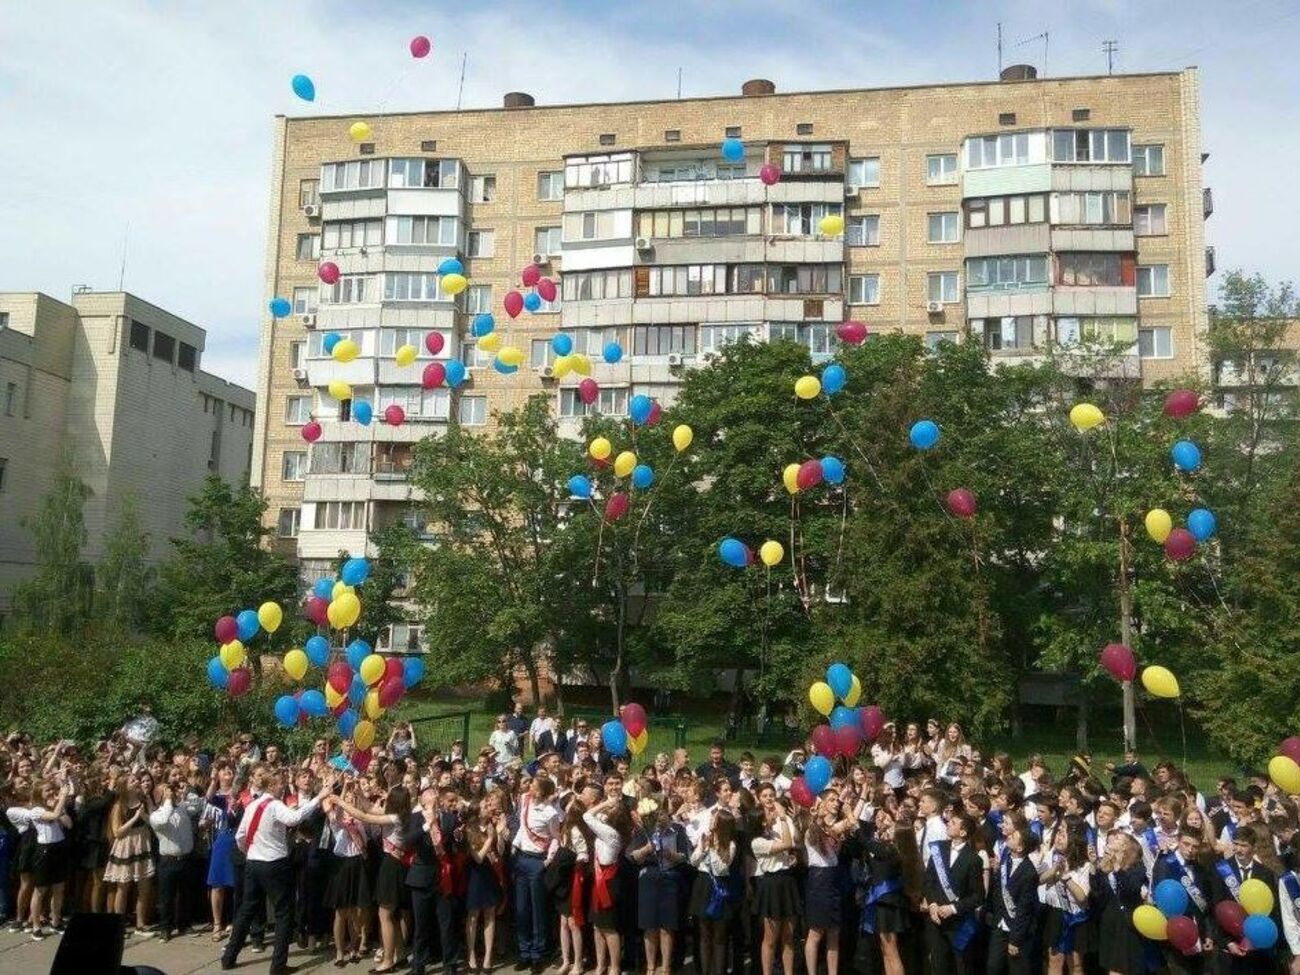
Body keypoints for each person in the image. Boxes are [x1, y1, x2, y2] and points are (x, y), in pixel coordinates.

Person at [221, 764, 334, 975]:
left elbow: (240, 836)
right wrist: (319, 797)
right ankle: (278, 966)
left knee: (246, 909)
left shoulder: (253, 805)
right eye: (281, 782)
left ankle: (228, 957)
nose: (284, 785)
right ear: (273, 785)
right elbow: (295, 818)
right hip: (274, 865)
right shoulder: (273, 805)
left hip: (253, 863)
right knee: (284, 913)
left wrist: (251, 852)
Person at [920, 812, 984, 975]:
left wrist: (953, 908)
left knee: (960, 966)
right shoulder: (938, 849)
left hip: (958, 923)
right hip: (935, 919)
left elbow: (978, 896)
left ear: (963, 832)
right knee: (937, 965)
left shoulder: (973, 859)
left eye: (953, 822)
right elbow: (928, 881)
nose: (948, 823)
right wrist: (932, 903)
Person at [632, 796, 689, 975]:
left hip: (670, 878)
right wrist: (646, 849)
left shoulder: (677, 829)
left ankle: (665, 967)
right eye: (657, 813)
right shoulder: (644, 830)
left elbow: (685, 856)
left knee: (667, 926)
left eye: (663, 812)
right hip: (649, 878)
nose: (660, 817)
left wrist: (671, 854)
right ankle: (650, 966)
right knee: (650, 925)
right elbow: (633, 857)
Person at [512, 774, 562, 973]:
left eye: (532, 784)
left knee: (537, 910)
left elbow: (556, 839)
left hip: (537, 862)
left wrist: (547, 861)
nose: (529, 785)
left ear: (540, 790)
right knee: (522, 909)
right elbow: (523, 828)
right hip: (521, 859)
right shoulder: (525, 801)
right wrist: (515, 846)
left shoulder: (550, 813)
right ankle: (524, 952)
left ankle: (537, 954)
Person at [148, 768, 205, 941]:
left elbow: (197, 806)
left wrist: (186, 792)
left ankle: (184, 924)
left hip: (185, 859)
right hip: (168, 860)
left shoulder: (182, 808)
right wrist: (166, 800)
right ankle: (165, 928)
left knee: (186, 895)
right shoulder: (156, 815)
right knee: (167, 896)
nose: (171, 794)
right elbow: (165, 819)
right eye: (166, 793)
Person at [751, 783, 800, 975]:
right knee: (771, 938)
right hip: (771, 884)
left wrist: (785, 818)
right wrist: (781, 816)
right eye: (766, 795)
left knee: (789, 936)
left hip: (787, 880)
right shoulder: (758, 841)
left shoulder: (782, 821)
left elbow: (794, 840)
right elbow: (786, 843)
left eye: (773, 795)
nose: (771, 800)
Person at [1152, 828, 1215, 974]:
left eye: (1195, 846)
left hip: (1198, 935)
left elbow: (1206, 907)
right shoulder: (1164, 864)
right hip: (1174, 934)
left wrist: (1209, 935)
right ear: (1178, 842)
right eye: (1186, 844)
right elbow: (1161, 899)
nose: (1190, 850)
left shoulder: (1201, 869)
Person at [584, 786, 632, 975]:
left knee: (609, 927)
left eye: (610, 810)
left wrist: (606, 802)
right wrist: (609, 805)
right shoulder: (609, 827)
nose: (605, 811)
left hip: (608, 881)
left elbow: (588, 816)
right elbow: (595, 817)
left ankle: (614, 966)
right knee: (597, 925)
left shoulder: (611, 833)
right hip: (600, 877)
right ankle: (600, 965)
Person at [103, 771, 156, 934]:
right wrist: (134, 818)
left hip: (142, 843)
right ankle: (119, 925)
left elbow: (153, 822)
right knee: (123, 888)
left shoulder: (143, 800)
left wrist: (146, 809)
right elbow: (117, 831)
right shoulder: (119, 806)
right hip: (126, 846)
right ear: (125, 786)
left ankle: (140, 924)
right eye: (132, 780)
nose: (137, 782)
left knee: (144, 887)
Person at [23, 779, 73, 941]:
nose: (51, 792)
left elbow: (68, 824)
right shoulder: (36, 810)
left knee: (59, 888)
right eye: (47, 791)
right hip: (45, 851)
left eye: (52, 789)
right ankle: (36, 925)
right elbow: (53, 816)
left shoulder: (55, 807)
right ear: (39, 794)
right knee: (40, 890)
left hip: (59, 848)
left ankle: (56, 921)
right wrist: (63, 797)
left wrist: (59, 805)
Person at [986, 820, 1039, 975]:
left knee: (1017, 970)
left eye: (1014, 836)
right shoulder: (1005, 861)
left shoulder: (1029, 873)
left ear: (1020, 847)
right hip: (1000, 924)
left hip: (1018, 930)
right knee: (993, 968)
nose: (1009, 836)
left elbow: (1025, 909)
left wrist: (1015, 940)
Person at [689, 807, 736, 975]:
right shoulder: (704, 838)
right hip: (703, 884)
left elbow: (721, 869)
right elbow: (693, 861)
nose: (710, 821)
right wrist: (703, 847)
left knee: (719, 936)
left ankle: (719, 971)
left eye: (713, 819)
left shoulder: (730, 845)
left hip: (719, 887)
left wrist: (713, 848)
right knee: (704, 934)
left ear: (720, 824)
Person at [465, 795, 507, 975]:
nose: (488, 807)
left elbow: (501, 852)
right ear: (477, 811)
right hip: (476, 875)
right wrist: (490, 838)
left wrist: (501, 833)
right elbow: (478, 858)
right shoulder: (469, 829)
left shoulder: (493, 825)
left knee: (490, 914)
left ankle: (488, 956)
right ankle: (471, 954)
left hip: (491, 875)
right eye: (484, 806)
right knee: (473, 916)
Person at [1095, 832, 1147, 975]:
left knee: (1119, 969)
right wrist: (1097, 872)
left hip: (1126, 924)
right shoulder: (1107, 865)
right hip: (1110, 921)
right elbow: (1098, 893)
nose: (1112, 839)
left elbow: (1131, 888)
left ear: (1125, 847)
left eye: (1118, 838)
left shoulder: (1137, 868)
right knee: (1110, 967)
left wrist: (1118, 867)